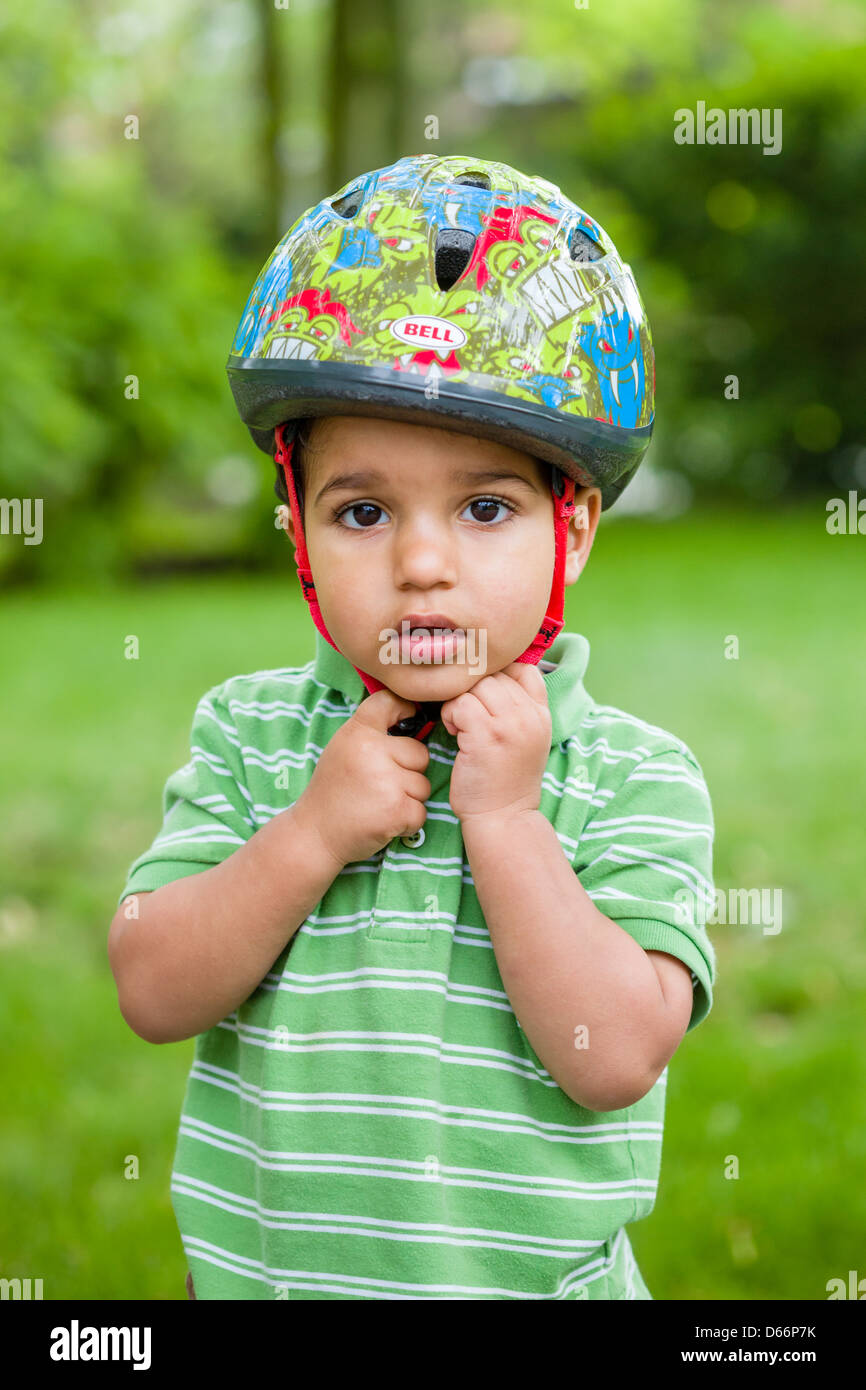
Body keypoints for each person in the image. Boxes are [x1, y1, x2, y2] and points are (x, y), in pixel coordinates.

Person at [108, 154, 716, 1300]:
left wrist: (506, 820)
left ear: (570, 530)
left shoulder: (635, 775)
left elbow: (618, 1054)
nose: (422, 564)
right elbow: (152, 987)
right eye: (363, 510)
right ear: (296, 528)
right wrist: (308, 834)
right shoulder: (249, 737)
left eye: (484, 508)